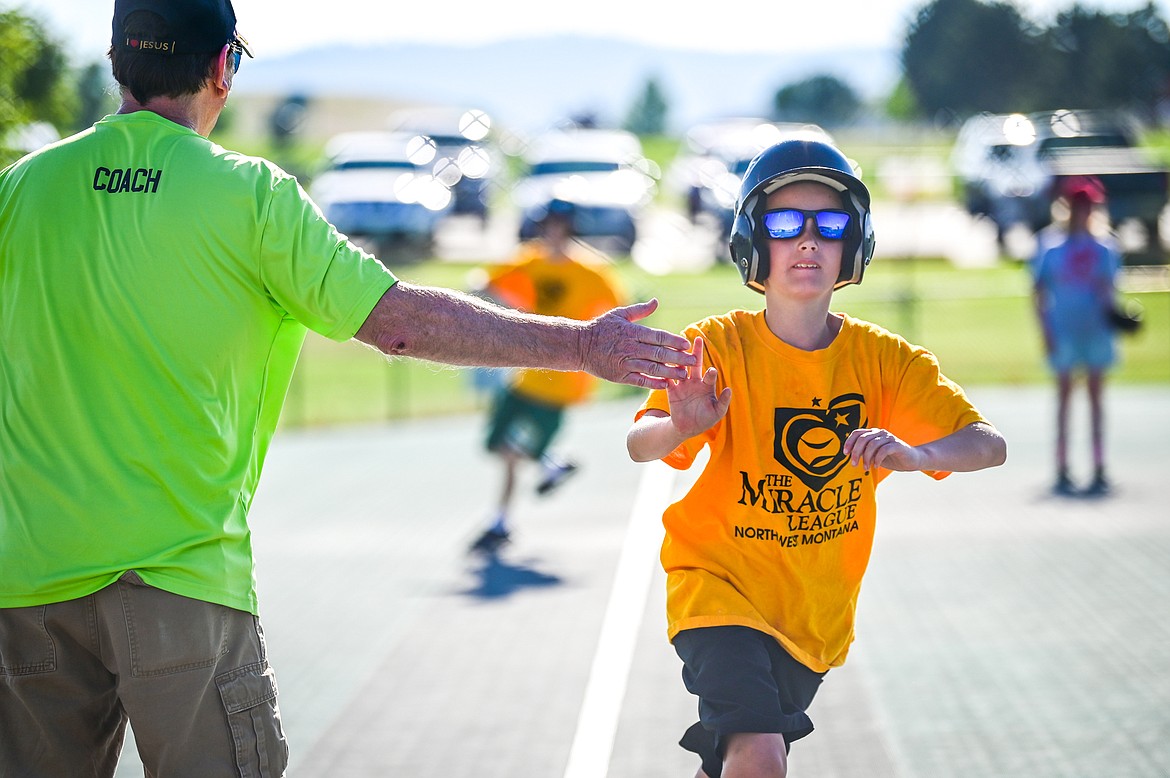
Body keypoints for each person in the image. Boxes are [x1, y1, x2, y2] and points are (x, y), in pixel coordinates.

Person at [0, 2, 696, 775]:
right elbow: (396, 322)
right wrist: (581, 343)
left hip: (25, 583)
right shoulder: (250, 195)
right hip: (178, 579)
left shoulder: (21, 189)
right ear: (222, 68)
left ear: (113, 60)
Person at [625, 139, 1008, 778]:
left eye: (830, 226)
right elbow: (642, 442)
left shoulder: (885, 361)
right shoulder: (716, 346)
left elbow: (987, 444)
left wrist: (916, 455)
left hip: (813, 616)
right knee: (760, 756)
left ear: (853, 246)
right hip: (716, 586)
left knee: (736, 763)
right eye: (784, 225)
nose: (808, 241)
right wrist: (679, 425)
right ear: (754, 242)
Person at [468, 199, 625, 553]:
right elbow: (487, 281)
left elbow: (619, 311)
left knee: (512, 450)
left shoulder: (591, 272)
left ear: (570, 230)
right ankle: (549, 466)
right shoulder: (531, 261)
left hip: (562, 378)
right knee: (498, 443)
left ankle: (503, 518)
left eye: (561, 227)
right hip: (526, 373)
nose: (554, 233)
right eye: (549, 226)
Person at [1031, 176, 1122, 497]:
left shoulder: (1105, 246)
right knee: (1065, 399)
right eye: (1078, 206)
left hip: (1095, 330)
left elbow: (1109, 291)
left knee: (1096, 400)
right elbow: (1039, 292)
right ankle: (1062, 465)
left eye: (1089, 206)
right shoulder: (1051, 245)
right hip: (1065, 330)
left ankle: (1098, 465)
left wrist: (1119, 317)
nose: (1083, 212)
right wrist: (1045, 332)